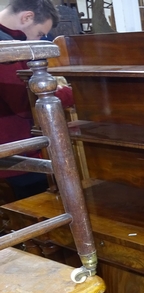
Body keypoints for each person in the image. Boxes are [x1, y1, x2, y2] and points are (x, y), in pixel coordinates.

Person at [0, 0, 73, 201]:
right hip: (14, 157)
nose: (41, 39)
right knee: (54, 193)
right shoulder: (6, 49)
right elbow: (25, 105)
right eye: (40, 33)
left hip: (11, 149)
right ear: (27, 17)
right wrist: (68, 94)